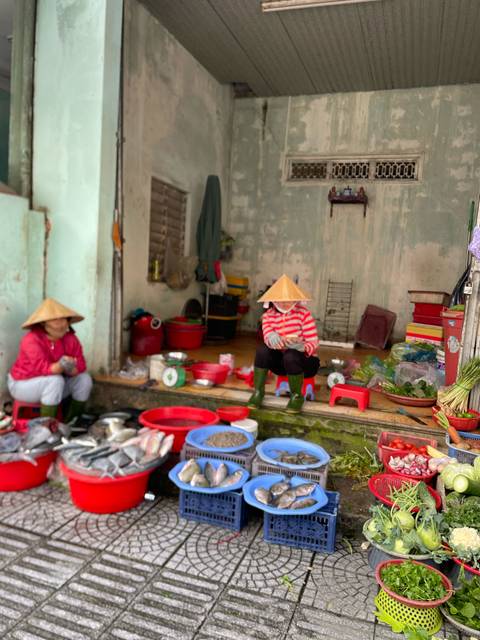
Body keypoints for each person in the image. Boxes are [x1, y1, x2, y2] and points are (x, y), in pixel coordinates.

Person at [7, 298, 93, 422]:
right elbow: (44, 368)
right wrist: (63, 364)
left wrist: (72, 368)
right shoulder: (31, 340)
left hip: (53, 387)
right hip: (22, 385)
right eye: (55, 320)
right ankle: (46, 427)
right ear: (43, 323)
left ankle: (72, 422)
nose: (61, 324)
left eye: (63, 319)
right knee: (55, 380)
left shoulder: (70, 339)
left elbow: (80, 365)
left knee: (85, 379)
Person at [248, 275, 320, 414]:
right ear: (273, 300)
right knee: (263, 350)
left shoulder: (304, 315)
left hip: (305, 364)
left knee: (291, 354)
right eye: (279, 300)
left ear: (295, 299)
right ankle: (258, 392)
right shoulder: (269, 316)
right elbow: (268, 338)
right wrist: (271, 337)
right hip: (281, 365)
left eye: (287, 300)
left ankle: (296, 397)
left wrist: (303, 346)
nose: (283, 303)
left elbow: (313, 342)